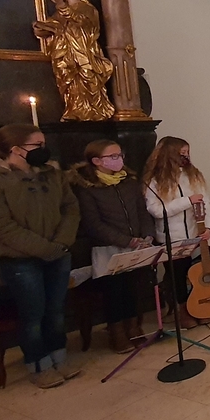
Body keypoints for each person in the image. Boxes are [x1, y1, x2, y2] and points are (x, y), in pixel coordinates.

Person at [0, 124, 81, 388]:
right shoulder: (2, 179)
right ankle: (39, 365)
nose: (44, 149)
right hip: (20, 259)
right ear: (16, 149)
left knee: (56, 311)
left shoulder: (52, 173)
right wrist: (45, 249)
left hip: (58, 252)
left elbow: (70, 208)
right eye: (37, 145)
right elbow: (4, 227)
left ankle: (59, 357)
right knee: (33, 314)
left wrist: (61, 242)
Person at [74, 139, 155, 353]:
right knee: (114, 292)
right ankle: (117, 332)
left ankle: (134, 327)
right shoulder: (88, 188)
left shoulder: (129, 183)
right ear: (97, 161)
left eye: (120, 155)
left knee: (133, 289)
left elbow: (142, 211)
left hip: (136, 246)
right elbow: (93, 224)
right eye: (113, 156)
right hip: (108, 248)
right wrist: (125, 240)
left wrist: (147, 235)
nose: (119, 159)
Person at [145, 136, 210, 325]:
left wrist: (208, 226)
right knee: (177, 276)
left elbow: (205, 202)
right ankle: (182, 310)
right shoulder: (155, 181)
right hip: (171, 238)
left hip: (194, 234)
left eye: (187, 153)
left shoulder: (193, 175)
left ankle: (197, 306)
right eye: (181, 153)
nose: (186, 157)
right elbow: (157, 210)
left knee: (194, 272)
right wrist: (187, 201)